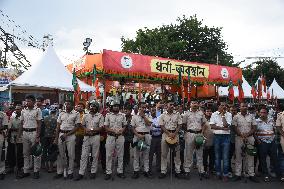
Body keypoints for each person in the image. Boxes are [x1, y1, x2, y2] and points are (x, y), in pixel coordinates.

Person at [75, 101, 104, 180]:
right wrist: (86, 130)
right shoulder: (85, 115)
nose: (92, 107)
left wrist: (91, 130)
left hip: (95, 137)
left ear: (97, 108)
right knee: (84, 155)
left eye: (94, 106)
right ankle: (81, 173)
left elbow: (101, 128)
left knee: (95, 155)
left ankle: (93, 172)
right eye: (91, 106)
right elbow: (82, 125)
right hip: (87, 137)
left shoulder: (100, 116)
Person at [232, 103, 259, 183]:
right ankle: (238, 174)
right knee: (238, 156)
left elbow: (254, 127)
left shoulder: (251, 116)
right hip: (239, 138)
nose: (244, 107)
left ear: (247, 107)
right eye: (242, 106)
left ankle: (251, 174)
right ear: (239, 107)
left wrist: (247, 135)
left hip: (250, 138)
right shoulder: (236, 116)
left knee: (250, 156)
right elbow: (234, 127)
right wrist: (241, 135)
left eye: (245, 106)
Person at [54, 100, 81, 179]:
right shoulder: (61, 113)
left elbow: (77, 127)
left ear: (72, 105)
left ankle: (70, 172)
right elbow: (58, 126)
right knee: (60, 154)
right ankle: (60, 172)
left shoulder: (76, 114)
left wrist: (67, 135)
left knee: (71, 154)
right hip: (61, 134)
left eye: (68, 104)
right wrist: (56, 138)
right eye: (65, 104)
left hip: (70, 135)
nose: (66, 105)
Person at [18, 95, 42, 179]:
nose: (27, 103)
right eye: (26, 101)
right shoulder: (23, 111)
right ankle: (26, 171)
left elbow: (39, 123)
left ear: (33, 102)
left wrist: (38, 135)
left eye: (29, 101)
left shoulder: (38, 110)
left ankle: (36, 171)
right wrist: (19, 135)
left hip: (34, 133)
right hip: (25, 133)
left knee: (36, 153)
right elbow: (21, 123)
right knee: (25, 153)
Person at [255, 107, 283, 182]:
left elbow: (275, 129)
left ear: (267, 113)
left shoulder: (271, 120)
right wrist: (258, 141)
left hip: (272, 142)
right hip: (262, 142)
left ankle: (279, 175)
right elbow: (254, 133)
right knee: (263, 160)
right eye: (261, 112)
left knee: (275, 159)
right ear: (259, 113)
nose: (262, 114)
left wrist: (275, 139)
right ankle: (265, 175)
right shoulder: (256, 121)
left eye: (264, 112)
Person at [183, 101, 207, 179]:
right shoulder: (186, 114)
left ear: (198, 104)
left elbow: (204, 124)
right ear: (190, 104)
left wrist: (202, 133)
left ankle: (201, 171)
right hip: (190, 134)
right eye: (193, 103)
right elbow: (183, 124)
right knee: (188, 153)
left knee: (199, 153)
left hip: (199, 134)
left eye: (196, 103)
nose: (195, 104)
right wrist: (187, 133)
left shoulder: (201, 113)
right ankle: (187, 170)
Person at [159, 102, 183, 179]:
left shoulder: (178, 114)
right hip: (166, 134)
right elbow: (161, 125)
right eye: (170, 105)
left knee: (177, 154)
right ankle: (163, 171)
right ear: (167, 106)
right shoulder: (163, 115)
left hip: (175, 134)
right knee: (164, 154)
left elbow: (180, 125)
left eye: (173, 105)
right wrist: (168, 133)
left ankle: (177, 171)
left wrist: (174, 133)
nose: (172, 106)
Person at [104, 103, 127, 180]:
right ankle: (108, 172)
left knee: (120, 155)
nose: (115, 107)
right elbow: (106, 127)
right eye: (114, 106)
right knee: (109, 155)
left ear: (119, 107)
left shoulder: (123, 115)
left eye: (117, 106)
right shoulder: (108, 115)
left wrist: (121, 131)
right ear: (112, 107)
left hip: (120, 137)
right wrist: (113, 131)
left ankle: (120, 172)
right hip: (110, 136)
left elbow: (124, 126)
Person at [210, 102, 232, 182]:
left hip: (226, 137)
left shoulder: (229, 114)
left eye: (225, 105)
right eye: (222, 105)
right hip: (217, 137)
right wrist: (222, 128)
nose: (224, 106)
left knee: (226, 157)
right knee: (217, 156)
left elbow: (226, 125)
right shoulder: (214, 114)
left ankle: (225, 174)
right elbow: (212, 126)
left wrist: (223, 115)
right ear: (218, 106)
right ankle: (218, 173)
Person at [131, 103, 152, 179]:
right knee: (136, 154)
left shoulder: (148, 116)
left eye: (144, 107)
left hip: (146, 136)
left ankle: (146, 171)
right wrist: (138, 135)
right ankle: (136, 171)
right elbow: (132, 128)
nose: (143, 109)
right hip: (137, 136)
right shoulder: (134, 117)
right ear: (139, 108)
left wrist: (143, 116)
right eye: (142, 107)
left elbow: (149, 124)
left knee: (146, 154)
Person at [6, 105, 24, 177]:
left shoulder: (23, 117)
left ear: (21, 110)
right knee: (11, 152)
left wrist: (18, 129)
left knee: (20, 153)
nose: (17, 110)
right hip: (13, 137)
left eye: (19, 109)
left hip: (21, 137)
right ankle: (11, 166)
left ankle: (20, 168)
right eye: (16, 109)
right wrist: (17, 129)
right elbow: (9, 127)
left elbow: (24, 127)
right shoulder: (12, 117)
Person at [42, 106, 57, 173]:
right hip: (53, 136)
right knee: (52, 151)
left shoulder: (45, 118)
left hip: (45, 136)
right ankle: (51, 167)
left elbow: (43, 128)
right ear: (56, 111)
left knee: (45, 150)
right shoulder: (57, 118)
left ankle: (46, 166)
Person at [149, 107, 162, 175]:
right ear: (150, 112)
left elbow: (161, 127)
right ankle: (149, 168)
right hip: (152, 138)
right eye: (152, 111)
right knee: (150, 154)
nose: (153, 112)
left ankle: (158, 167)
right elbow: (150, 129)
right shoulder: (148, 119)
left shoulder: (159, 118)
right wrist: (157, 127)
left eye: (155, 111)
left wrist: (155, 127)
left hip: (159, 137)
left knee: (159, 153)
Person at [203, 108, 214, 177]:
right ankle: (204, 170)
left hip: (214, 141)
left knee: (212, 157)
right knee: (204, 157)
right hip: (205, 141)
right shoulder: (203, 120)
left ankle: (211, 169)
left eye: (210, 111)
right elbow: (201, 131)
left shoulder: (214, 119)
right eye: (207, 111)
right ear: (205, 112)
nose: (209, 112)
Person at [74, 102, 85, 168]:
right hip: (76, 134)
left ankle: (84, 163)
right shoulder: (74, 115)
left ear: (83, 108)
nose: (80, 107)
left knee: (84, 150)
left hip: (84, 134)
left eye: (81, 106)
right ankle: (78, 163)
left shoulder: (85, 115)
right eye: (78, 106)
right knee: (77, 149)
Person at [123, 105, 133, 171]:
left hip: (132, 136)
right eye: (125, 109)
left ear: (131, 111)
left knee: (136, 151)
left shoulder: (133, 117)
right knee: (125, 150)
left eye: (128, 110)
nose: (126, 111)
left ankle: (137, 164)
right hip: (125, 136)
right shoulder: (122, 117)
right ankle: (125, 163)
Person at [0, 108, 8, 180]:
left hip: (0, 136)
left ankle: (2, 172)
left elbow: (5, 126)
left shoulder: (3, 114)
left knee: (1, 155)